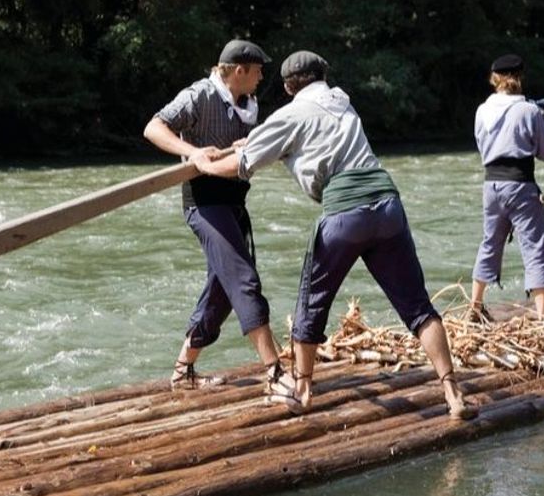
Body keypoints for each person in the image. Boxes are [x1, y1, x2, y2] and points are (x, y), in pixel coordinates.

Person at [194, 50, 478, 420]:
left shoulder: (290, 115)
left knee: (311, 303)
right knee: (418, 307)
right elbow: (288, 141)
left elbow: (243, 165)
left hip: (346, 211)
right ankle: (453, 394)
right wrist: (259, 143)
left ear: (287, 86)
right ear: (322, 77)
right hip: (387, 204)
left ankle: (303, 391)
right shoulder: (342, 100)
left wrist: (204, 165)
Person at [143, 39, 284, 393]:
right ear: (239, 70)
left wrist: (248, 145)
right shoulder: (199, 96)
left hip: (234, 201)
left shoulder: (249, 103)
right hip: (204, 204)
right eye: (257, 70)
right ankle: (277, 372)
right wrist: (194, 153)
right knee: (242, 278)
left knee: (221, 291)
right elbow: (154, 127)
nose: (261, 75)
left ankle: (182, 371)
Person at [469, 54, 544, 322]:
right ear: (519, 77)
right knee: (535, 244)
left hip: (491, 185)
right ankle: (542, 315)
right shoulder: (530, 111)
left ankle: (475, 306)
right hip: (520, 183)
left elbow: (482, 146)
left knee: (490, 243)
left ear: (495, 79)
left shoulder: (482, 110)